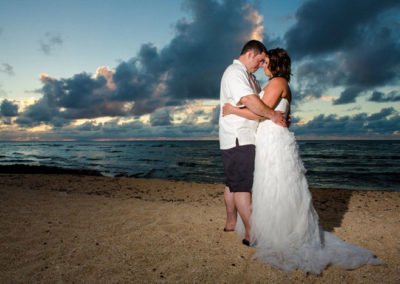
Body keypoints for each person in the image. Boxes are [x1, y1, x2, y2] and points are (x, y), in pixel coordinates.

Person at [222, 48, 382, 274]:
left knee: (276, 183)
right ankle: (271, 227)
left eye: (266, 61)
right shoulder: (278, 82)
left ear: (275, 64)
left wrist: (232, 110)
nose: (262, 65)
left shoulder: (277, 81)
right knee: (273, 184)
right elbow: (275, 111)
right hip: (269, 137)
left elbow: (262, 113)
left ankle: (277, 231)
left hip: (273, 139)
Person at [219, 40, 288, 246]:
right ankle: (252, 233)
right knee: (242, 186)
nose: (261, 65)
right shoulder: (235, 72)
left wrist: (278, 113)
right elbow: (251, 101)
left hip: (244, 136)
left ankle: (232, 222)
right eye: (259, 61)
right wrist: (272, 115)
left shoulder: (250, 77)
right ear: (250, 54)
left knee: (233, 181)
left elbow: (262, 104)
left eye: (263, 63)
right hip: (240, 136)